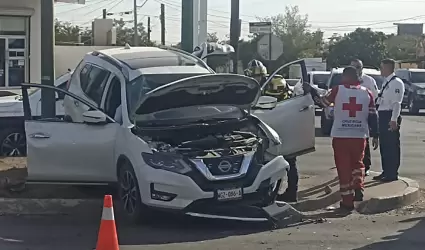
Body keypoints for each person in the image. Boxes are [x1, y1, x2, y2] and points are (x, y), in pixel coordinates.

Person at [306, 66, 379, 210]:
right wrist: (375, 135)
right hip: (359, 135)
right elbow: (373, 116)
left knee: (344, 168)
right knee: (358, 164)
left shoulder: (337, 90)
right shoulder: (367, 93)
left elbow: (322, 103)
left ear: (345, 77)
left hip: (341, 135)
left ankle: (347, 202)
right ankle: (358, 187)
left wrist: (311, 91)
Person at [244, 59, 298, 202]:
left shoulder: (275, 83)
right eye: (253, 76)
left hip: (282, 123)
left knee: (289, 160)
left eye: (257, 76)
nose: (255, 79)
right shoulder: (252, 86)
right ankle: (268, 192)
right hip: (266, 127)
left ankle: (291, 192)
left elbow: (275, 104)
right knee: (267, 163)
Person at [374, 59, 405, 182]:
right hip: (382, 115)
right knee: (384, 146)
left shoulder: (396, 83)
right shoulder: (386, 82)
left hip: (390, 116)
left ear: (388, 68)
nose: (381, 70)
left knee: (391, 146)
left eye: (382, 67)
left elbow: (397, 103)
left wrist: (393, 119)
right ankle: (386, 171)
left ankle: (392, 173)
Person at [350, 59, 379, 176]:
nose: (355, 70)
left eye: (357, 67)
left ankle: (365, 165)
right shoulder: (347, 79)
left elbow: (375, 95)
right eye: (352, 67)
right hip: (350, 114)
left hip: (364, 114)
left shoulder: (369, 80)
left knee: (364, 141)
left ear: (361, 68)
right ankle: (351, 165)